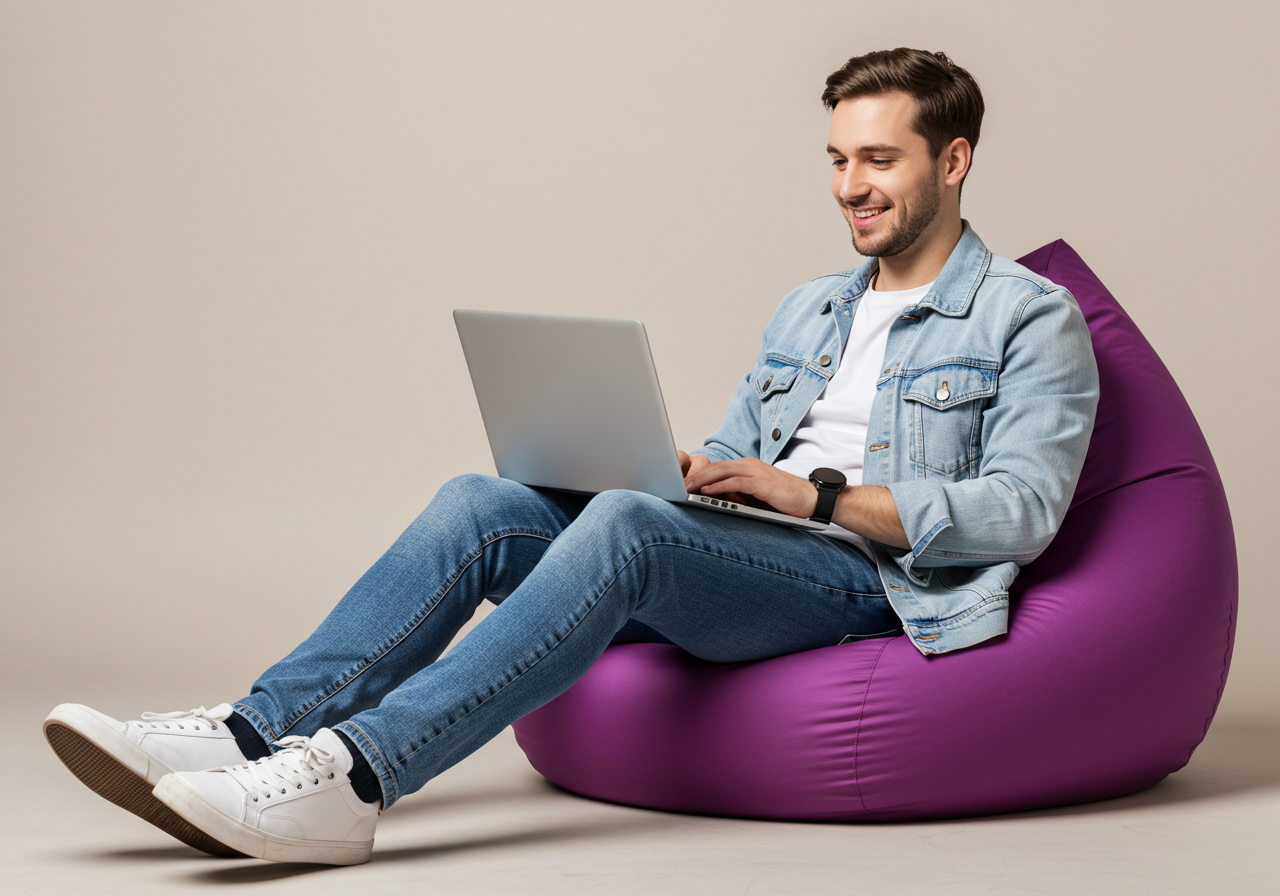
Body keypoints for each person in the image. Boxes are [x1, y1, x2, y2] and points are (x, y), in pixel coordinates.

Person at [43, 48, 1099, 866]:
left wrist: (811, 494)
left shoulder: (1026, 317)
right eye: (835, 158)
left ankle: (350, 781)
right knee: (485, 499)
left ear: (951, 161)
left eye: (878, 159)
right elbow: (742, 449)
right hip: (754, 545)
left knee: (627, 527)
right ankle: (249, 729)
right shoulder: (811, 305)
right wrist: (687, 467)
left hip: (870, 581)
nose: (848, 186)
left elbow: (1019, 509)